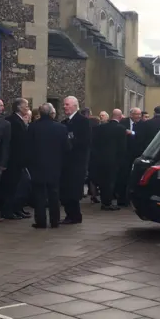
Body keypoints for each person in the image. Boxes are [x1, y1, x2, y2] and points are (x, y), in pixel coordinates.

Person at [26, 103, 69, 228]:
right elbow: (66, 147)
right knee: (54, 194)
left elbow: (28, 147)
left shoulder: (33, 127)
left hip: (37, 166)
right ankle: (55, 221)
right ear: (51, 113)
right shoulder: (60, 127)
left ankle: (41, 221)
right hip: (55, 165)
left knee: (39, 194)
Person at [60, 96, 91, 224]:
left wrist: (70, 142)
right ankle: (70, 214)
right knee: (66, 189)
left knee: (73, 189)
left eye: (67, 104)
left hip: (77, 161)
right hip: (66, 162)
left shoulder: (83, 121)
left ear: (74, 106)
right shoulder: (64, 123)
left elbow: (85, 141)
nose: (64, 107)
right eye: (64, 105)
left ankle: (75, 215)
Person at [0, 98, 31, 220]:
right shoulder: (12, 121)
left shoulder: (19, 121)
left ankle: (17, 209)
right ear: (19, 107)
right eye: (26, 106)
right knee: (11, 187)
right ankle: (8, 211)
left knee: (19, 187)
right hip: (13, 160)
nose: (28, 108)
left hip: (20, 161)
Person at [91, 109, 126, 211]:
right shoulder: (121, 129)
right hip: (113, 160)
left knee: (102, 181)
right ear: (120, 117)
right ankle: (107, 203)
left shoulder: (100, 128)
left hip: (100, 159)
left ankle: (104, 200)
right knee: (110, 182)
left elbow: (94, 143)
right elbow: (122, 147)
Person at [117, 107, 142, 206]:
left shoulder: (142, 124)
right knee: (123, 176)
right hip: (124, 154)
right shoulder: (123, 122)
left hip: (135, 154)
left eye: (139, 114)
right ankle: (122, 198)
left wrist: (132, 133)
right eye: (136, 114)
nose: (139, 116)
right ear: (131, 114)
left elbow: (142, 136)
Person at [87, 116, 101, 204]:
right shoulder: (99, 131)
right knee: (97, 175)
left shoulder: (88, 131)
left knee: (91, 176)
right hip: (98, 155)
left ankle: (93, 194)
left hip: (89, 155)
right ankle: (95, 193)